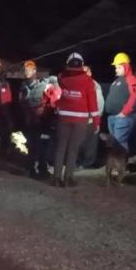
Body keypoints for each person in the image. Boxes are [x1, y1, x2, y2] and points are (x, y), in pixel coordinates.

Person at [54, 52, 98, 187]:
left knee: (61, 147)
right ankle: (69, 177)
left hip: (64, 117)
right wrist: (96, 121)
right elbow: (92, 102)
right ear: (82, 65)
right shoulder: (88, 81)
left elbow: (60, 80)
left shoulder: (61, 78)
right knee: (73, 149)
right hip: (80, 119)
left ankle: (56, 178)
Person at [17, 60, 57, 178]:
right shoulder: (23, 87)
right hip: (28, 122)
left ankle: (43, 169)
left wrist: (47, 115)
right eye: (25, 70)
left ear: (35, 71)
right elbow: (21, 103)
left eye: (29, 69)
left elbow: (51, 102)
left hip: (42, 122)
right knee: (30, 146)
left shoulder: (43, 86)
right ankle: (30, 169)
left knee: (43, 145)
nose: (27, 72)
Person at [104, 51, 136, 153]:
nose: (116, 69)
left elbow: (134, 97)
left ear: (126, 66)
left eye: (119, 67)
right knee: (114, 143)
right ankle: (116, 165)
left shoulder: (132, 80)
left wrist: (124, 113)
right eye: (116, 67)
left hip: (123, 117)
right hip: (112, 117)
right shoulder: (117, 81)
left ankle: (120, 167)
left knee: (119, 143)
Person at [78, 64, 105, 168]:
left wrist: (94, 118)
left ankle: (88, 163)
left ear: (90, 73)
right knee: (80, 142)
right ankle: (79, 161)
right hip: (79, 119)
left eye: (85, 72)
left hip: (91, 119)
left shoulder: (95, 85)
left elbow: (99, 103)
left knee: (90, 144)